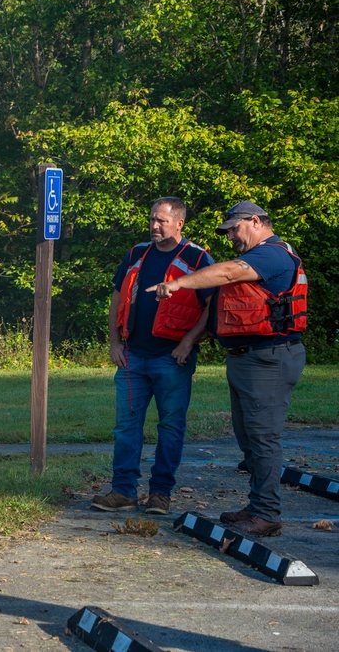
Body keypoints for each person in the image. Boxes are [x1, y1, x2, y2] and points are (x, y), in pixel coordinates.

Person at [147, 201, 306, 537]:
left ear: (255, 221)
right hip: (249, 358)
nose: (231, 235)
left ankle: (267, 513)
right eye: (228, 230)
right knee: (248, 437)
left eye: (235, 228)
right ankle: (257, 504)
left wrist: (178, 283)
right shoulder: (261, 254)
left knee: (263, 438)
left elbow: (229, 271)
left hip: (268, 358)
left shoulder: (271, 254)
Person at [91, 197, 214, 515]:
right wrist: (115, 342)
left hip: (172, 359)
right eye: (152, 220)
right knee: (126, 427)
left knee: (171, 426)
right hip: (132, 357)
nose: (154, 226)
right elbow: (118, 298)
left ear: (179, 224)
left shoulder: (197, 258)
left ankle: (160, 494)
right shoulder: (136, 254)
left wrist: (188, 342)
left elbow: (211, 308)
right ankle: (123, 491)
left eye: (161, 220)